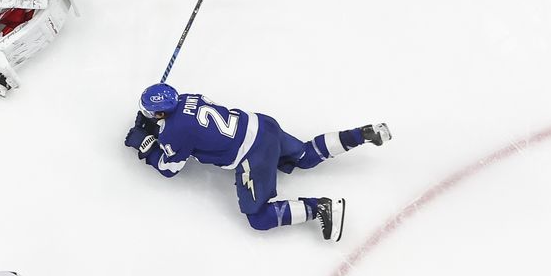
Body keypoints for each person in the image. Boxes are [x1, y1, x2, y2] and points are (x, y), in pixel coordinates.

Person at [124, 83, 392, 242]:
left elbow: (169, 168)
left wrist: (146, 145)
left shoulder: (173, 133)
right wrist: (160, 125)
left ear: (160, 113)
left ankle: (320, 208)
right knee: (304, 154)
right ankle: (363, 134)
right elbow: (192, 125)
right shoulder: (187, 98)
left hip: (253, 154)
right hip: (263, 125)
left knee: (259, 217)